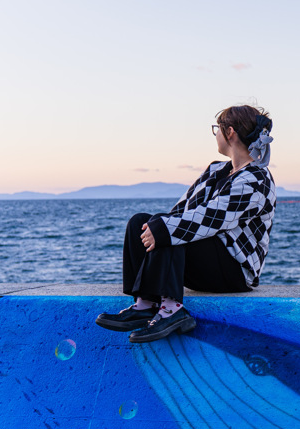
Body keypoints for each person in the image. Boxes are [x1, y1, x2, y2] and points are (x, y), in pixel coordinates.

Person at [95, 105, 278, 342]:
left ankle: (173, 310)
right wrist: (157, 226)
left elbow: (213, 218)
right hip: (205, 262)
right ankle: (145, 305)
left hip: (234, 271)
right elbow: (182, 210)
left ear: (230, 132)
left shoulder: (257, 179)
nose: (217, 136)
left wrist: (164, 229)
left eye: (217, 130)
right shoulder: (216, 170)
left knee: (168, 228)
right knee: (142, 221)